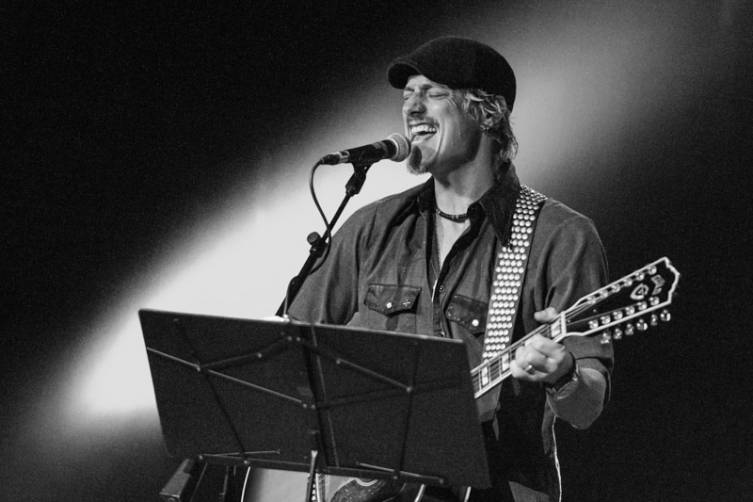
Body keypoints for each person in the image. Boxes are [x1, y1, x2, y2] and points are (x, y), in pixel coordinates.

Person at [287, 36, 613, 502]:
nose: (412, 108)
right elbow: (290, 357)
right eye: (407, 95)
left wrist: (563, 374)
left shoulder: (560, 236)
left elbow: (587, 406)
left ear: (489, 113)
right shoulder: (373, 226)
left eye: (433, 93)